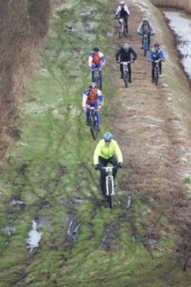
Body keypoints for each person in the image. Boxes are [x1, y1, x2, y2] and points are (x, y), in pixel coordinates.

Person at [94, 132, 123, 200]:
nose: (107, 143)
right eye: (106, 141)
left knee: (116, 164)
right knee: (103, 175)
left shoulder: (114, 143)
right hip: (102, 158)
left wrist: (120, 162)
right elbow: (96, 154)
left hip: (111, 156)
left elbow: (118, 152)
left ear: (111, 140)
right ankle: (103, 193)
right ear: (104, 140)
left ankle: (113, 178)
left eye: (109, 141)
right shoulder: (100, 143)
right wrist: (96, 164)